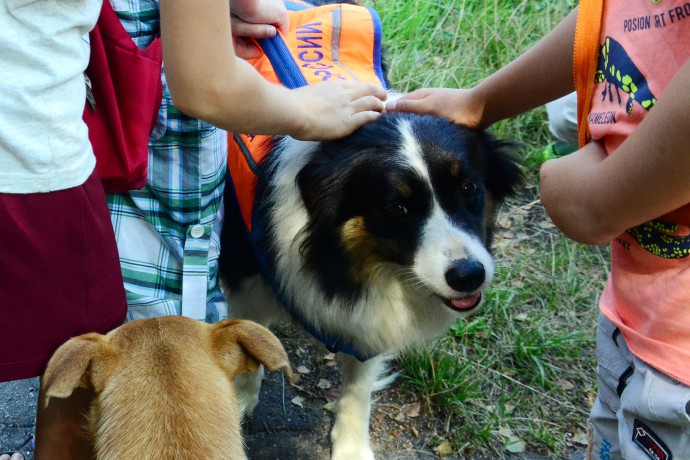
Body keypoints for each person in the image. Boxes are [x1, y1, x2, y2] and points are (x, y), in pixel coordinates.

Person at [387, 3, 690, 459]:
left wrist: (560, 174)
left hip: (677, 366)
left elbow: (590, 211)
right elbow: (611, 17)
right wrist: (480, 101)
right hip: (635, 311)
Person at [106, 0, 387, 323]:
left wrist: (200, 19)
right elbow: (209, 88)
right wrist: (304, 113)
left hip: (98, 72)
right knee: (165, 321)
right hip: (138, 106)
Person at [0, 0, 128, 459]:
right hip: (39, 165)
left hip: (38, 162)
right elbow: (207, 86)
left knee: (75, 357)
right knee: (77, 359)